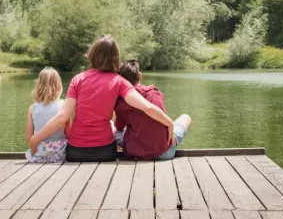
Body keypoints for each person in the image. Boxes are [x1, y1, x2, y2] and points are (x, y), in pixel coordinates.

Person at [28, 35, 175, 162]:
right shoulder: (119, 81)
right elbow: (146, 107)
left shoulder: (78, 79)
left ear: (92, 54)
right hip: (105, 152)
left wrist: (35, 139)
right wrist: (169, 123)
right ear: (116, 58)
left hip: (76, 152)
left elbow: (62, 117)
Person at [113, 59, 191, 161]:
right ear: (140, 75)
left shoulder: (122, 101)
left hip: (135, 153)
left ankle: (121, 149)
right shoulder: (155, 93)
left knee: (111, 126)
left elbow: (119, 127)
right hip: (164, 153)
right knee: (186, 117)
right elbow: (162, 122)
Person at [26, 67, 69, 163]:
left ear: (39, 85)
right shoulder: (65, 106)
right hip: (60, 153)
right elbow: (67, 134)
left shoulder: (32, 108)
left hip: (39, 153)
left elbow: (29, 137)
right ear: (58, 85)